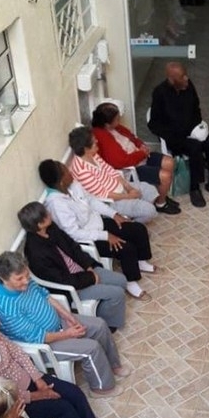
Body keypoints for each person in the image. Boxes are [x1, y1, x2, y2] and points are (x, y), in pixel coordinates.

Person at [0, 252, 130, 398]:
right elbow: (39, 337)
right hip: (44, 344)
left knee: (100, 325)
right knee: (91, 348)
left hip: (58, 323)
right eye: (19, 279)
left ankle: (113, 365)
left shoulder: (24, 282)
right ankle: (101, 389)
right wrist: (69, 334)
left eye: (26, 275)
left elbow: (46, 296)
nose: (26, 281)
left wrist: (68, 316)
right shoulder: (5, 307)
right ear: (3, 279)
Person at [38, 160, 156, 300]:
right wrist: (105, 236)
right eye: (67, 172)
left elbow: (92, 201)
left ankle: (140, 261)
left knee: (138, 229)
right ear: (61, 181)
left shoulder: (73, 186)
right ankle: (131, 281)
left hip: (99, 222)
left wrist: (114, 214)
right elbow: (74, 234)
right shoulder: (56, 204)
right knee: (126, 248)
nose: (71, 173)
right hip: (90, 238)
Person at [17, 201, 128, 322]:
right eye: (46, 213)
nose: (49, 213)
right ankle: (109, 323)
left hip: (83, 271)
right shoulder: (36, 253)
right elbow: (61, 279)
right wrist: (90, 278)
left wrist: (88, 266)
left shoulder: (51, 228)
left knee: (121, 280)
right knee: (116, 293)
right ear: (40, 224)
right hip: (73, 287)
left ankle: (103, 310)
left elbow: (73, 246)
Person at [148, 62, 209, 208]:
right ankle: (194, 187)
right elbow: (154, 124)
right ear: (172, 79)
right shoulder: (160, 93)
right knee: (194, 148)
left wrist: (195, 128)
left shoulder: (188, 86)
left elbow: (196, 108)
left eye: (186, 74)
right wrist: (175, 135)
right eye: (182, 77)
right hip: (174, 137)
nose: (186, 78)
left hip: (192, 132)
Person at [91, 101, 181, 215]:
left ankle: (160, 195)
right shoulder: (101, 136)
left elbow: (132, 137)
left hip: (140, 156)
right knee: (166, 176)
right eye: (117, 119)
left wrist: (141, 145)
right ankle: (161, 204)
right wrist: (142, 153)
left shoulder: (116, 127)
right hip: (131, 167)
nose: (119, 121)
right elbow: (121, 161)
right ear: (107, 124)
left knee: (169, 162)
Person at [69, 127, 158, 224]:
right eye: (94, 141)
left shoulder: (92, 154)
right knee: (150, 211)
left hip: (119, 187)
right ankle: (132, 226)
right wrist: (129, 196)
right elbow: (103, 194)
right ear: (86, 149)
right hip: (113, 201)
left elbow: (110, 170)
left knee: (151, 191)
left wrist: (128, 187)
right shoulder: (82, 170)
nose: (97, 141)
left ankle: (135, 213)